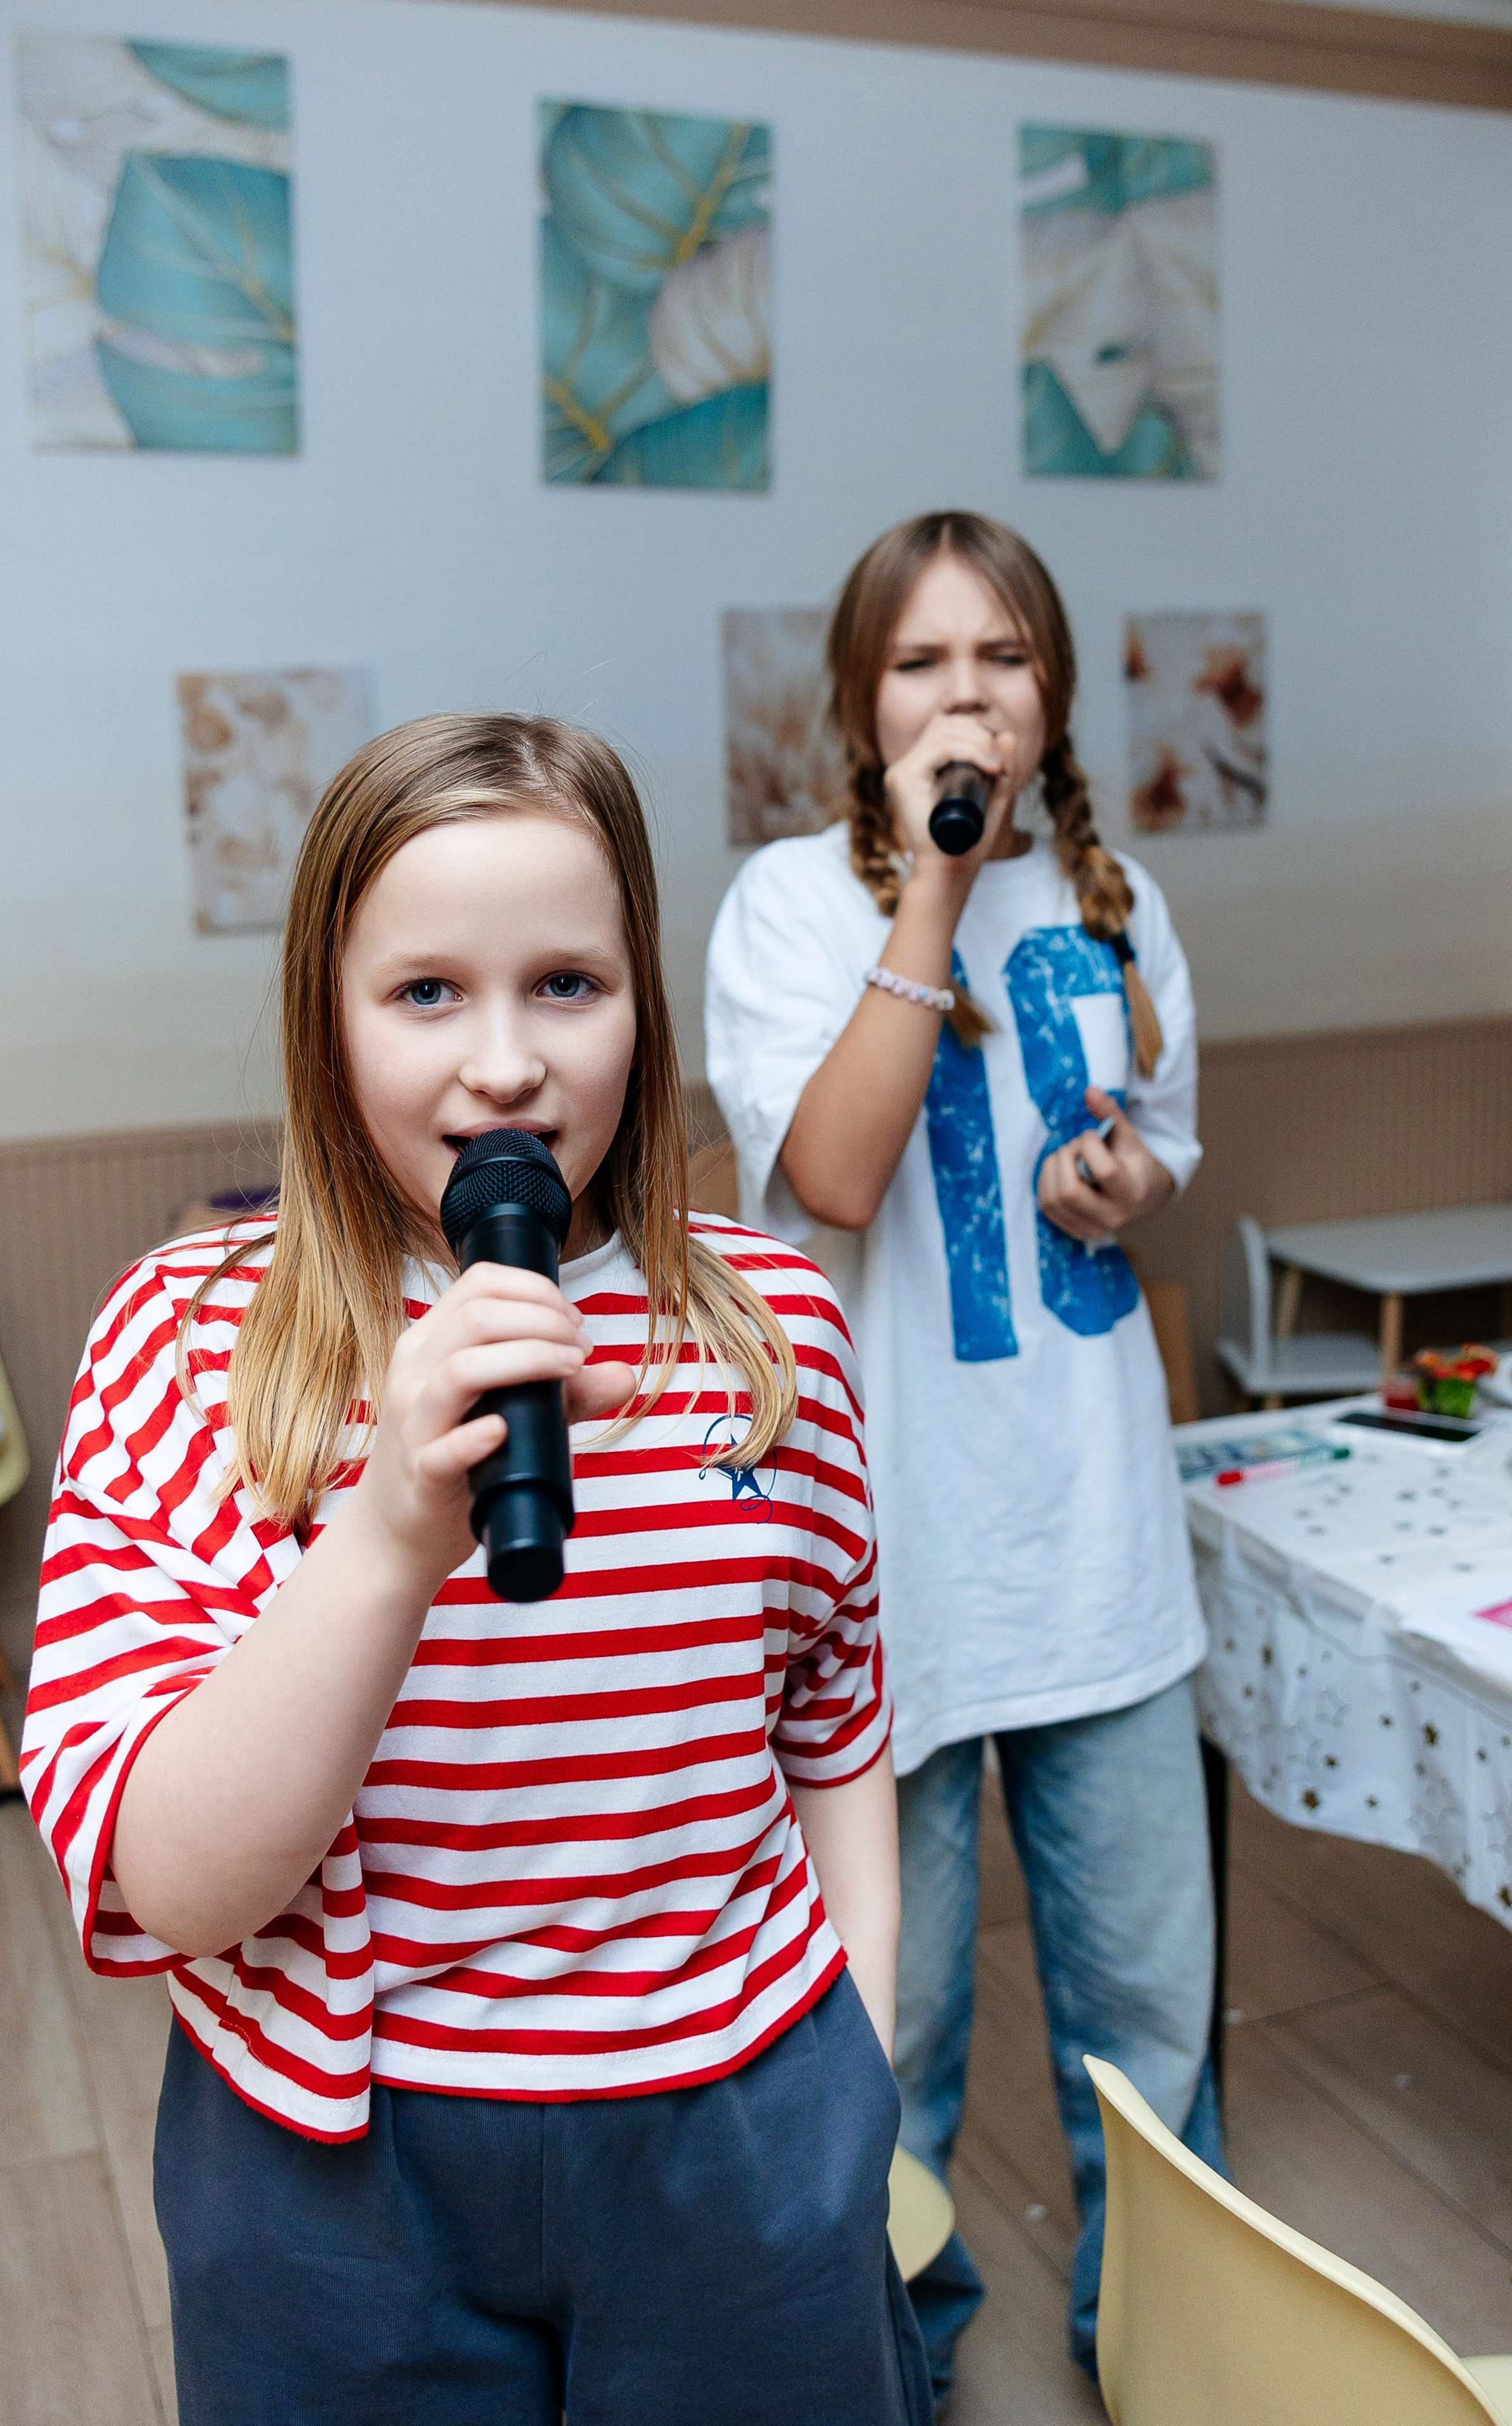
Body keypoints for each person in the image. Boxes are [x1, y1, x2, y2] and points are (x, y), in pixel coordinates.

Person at [22, 713, 932, 2426]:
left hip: (737, 2126)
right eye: (426, 992)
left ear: (643, 1008)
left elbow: (834, 1719)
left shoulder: (768, 1336)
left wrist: (851, 2075)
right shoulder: (186, 1342)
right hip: (337, 2172)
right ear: (327, 1017)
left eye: (568, 985)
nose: (505, 1066)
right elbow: (178, 1886)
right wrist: (382, 1539)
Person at [705, 513, 1221, 2401]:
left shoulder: (1120, 901)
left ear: (1052, 689)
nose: (966, 694)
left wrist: (1127, 1180)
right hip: (889, 1573)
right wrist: (935, 889)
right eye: (922, 664)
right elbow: (833, 1177)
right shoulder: (784, 903)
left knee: (1154, 2014)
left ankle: (1165, 2344)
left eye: (1000, 658)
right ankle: (889, 2368)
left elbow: (1159, 1133)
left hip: (1096, 1556)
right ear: (862, 702)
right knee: (887, 2030)